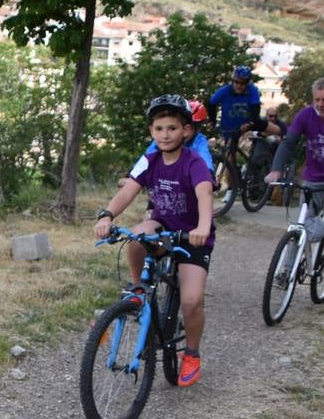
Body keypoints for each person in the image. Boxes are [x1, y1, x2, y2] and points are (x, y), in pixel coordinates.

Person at [93, 94, 214, 387]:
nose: (165, 134)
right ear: (151, 132)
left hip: (192, 234)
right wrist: (107, 215)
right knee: (137, 234)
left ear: (186, 131)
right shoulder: (150, 160)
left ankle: (193, 354)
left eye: (172, 128)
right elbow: (127, 191)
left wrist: (203, 227)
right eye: (159, 129)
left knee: (191, 300)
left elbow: (205, 193)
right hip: (162, 223)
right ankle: (138, 289)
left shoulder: (193, 161)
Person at [264, 77, 324, 261]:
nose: (321, 104)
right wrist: (277, 169)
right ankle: (286, 270)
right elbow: (288, 143)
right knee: (301, 224)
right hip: (315, 176)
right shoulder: (305, 115)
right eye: (317, 99)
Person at [208, 66, 264, 155]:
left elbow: (255, 110)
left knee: (272, 127)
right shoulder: (225, 90)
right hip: (228, 129)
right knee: (228, 156)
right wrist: (212, 121)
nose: (239, 86)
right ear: (233, 81)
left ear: (247, 83)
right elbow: (211, 103)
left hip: (246, 128)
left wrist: (250, 124)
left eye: (243, 84)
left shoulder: (252, 90)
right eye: (236, 82)